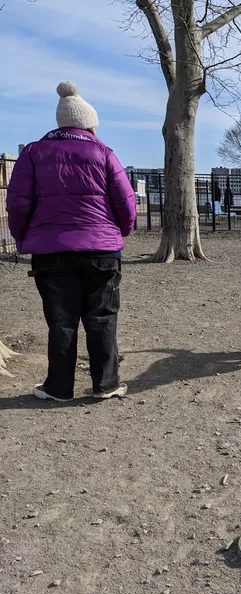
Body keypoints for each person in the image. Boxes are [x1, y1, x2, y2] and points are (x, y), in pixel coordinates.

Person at [6, 81, 136, 402]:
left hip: (50, 250)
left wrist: (24, 238)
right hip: (102, 249)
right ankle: (105, 384)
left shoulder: (34, 152)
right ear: (89, 124)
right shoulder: (104, 153)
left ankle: (59, 387)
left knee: (61, 321)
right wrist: (120, 231)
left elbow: (17, 203)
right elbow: (126, 202)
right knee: (102, 316)